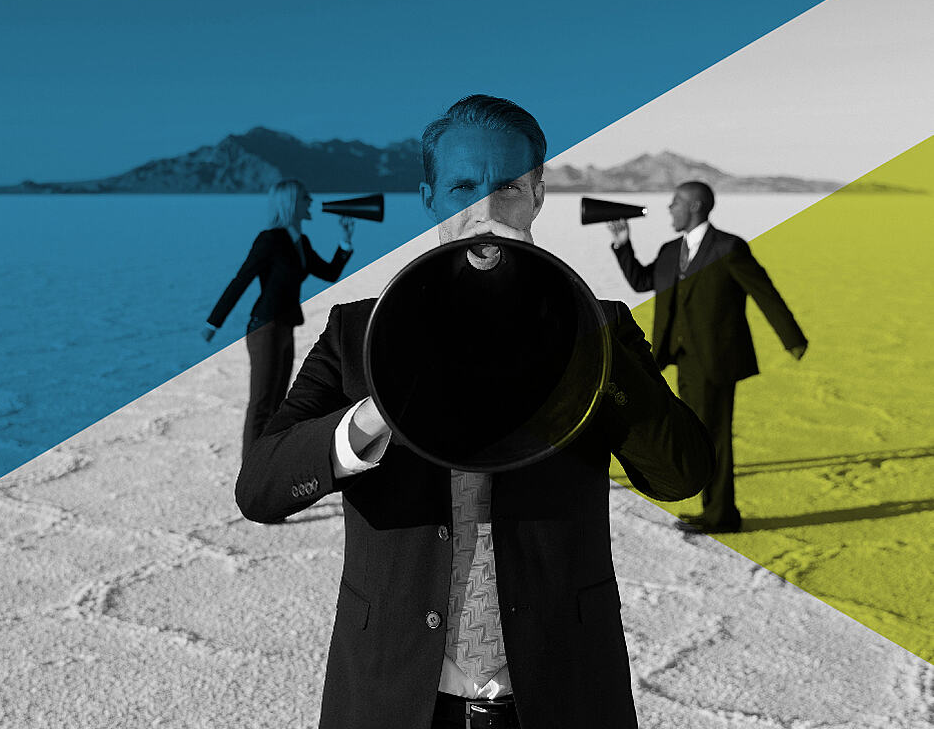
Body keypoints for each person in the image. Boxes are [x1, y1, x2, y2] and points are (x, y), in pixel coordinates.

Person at [235, 96, 713, 729]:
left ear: (538, 195)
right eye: (463, 187)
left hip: (561, 693)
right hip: (392, 696)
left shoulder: (599, 327)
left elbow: (681, 473)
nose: (486, 212)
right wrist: (375, 415)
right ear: (430, 196)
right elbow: (261, 488)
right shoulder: (358, 334)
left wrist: (578, 328)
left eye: (509, 188)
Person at [607, 181, 808, 534]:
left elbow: (764, 292)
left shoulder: (728, 248)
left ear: (696, 206)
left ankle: (721, 515)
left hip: (717, 361)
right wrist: (623, 245)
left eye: (676, 203)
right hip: (679, 358)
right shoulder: (671, 251)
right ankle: (714, 508)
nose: (669, 209)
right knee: (696, 431)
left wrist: (792, 338)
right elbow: (642, 282)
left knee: (713, 436)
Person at [204, 179, 355, 459]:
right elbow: (242, 279)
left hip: (284, 328)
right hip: (264, 328)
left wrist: (344, 241)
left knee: (277, 405)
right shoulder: (270, 239)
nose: (311, 201)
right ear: (290, 203)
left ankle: (264, 469)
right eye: (305, 197)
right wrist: (214, 322)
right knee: (262, 404)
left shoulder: (300, 242)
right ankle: (249, 474)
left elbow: (329, 272)